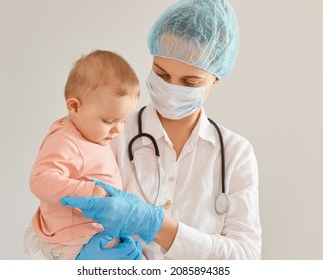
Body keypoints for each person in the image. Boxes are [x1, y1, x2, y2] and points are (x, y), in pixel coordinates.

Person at [25, 0, 262, 260]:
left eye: (189, 81)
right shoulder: (107, 135)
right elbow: (42, 232)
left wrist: (156, 225)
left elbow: (246, 257)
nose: (172, 87)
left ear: (215, 78)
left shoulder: (235, 153)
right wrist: (78, 263)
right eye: (161, 73)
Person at [25, 50, 142, 260]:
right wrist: (90, 191)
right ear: (75, 106)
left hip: (91, 236)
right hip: (74, 242)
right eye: (108, 121)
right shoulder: (66, 141)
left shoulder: (91, 136)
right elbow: (39, 180)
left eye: (123, 121)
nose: (118, 130)